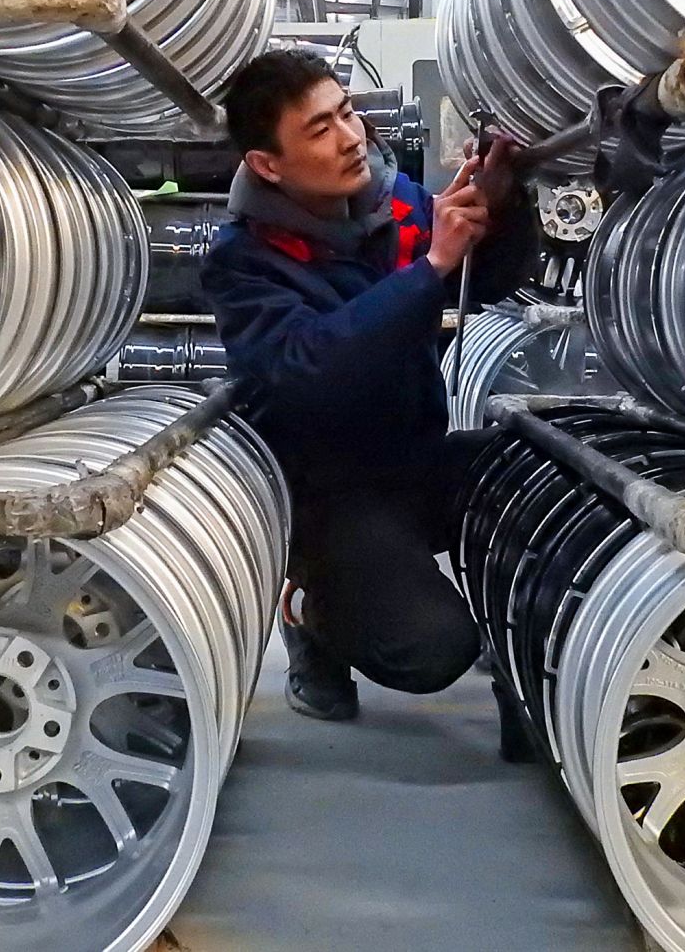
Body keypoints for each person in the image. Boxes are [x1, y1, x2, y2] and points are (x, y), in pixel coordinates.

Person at [200, 49, 538, 723]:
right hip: (330, 495)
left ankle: (515, 625)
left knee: (537, 474)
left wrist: (501, 209)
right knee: (431, 649)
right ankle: (316, 613)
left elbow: (487, 281)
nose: (352, 137)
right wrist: (434, 263)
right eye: (320, 129)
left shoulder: (395, 205)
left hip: (414, 458)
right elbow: (311, 368)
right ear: (269, 164)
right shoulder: (244, 261)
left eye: (347, 112)